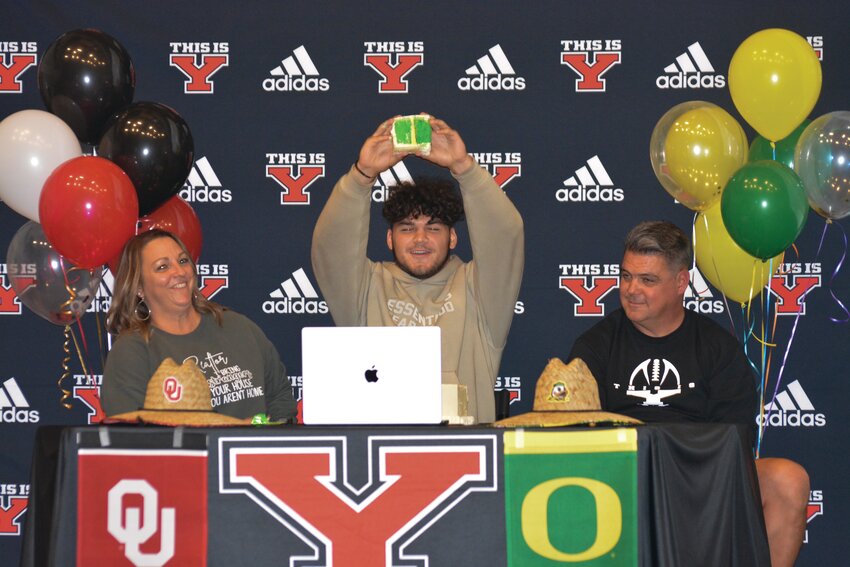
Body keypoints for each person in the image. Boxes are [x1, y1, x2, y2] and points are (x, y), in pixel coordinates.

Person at [568, 220, 809, 567]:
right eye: (626, 276)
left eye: (647, 280)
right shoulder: (595, 346)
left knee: (788, 479)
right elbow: (573, 436)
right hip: (622, 476)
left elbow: (736, 444)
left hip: (701, 475)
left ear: (681, 282)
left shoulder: (717, 348)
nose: (631, 289)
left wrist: (683, 468)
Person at [311, 115, 524, 423]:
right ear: (389, 238)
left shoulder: (478, 291)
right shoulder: (366, 287)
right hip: (379, 453)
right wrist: (362, 176)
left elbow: (505, 235)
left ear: (452, 237)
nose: (421, 239)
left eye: (433, 228)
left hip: (464, 454)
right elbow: (329, 247)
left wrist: (465, 168)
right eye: (407, 229)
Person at [102, 229, 297, 422]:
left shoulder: (239, 327)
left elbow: (282, 405)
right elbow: (130, 435)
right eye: (162, 267)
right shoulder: (132, 351)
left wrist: (254, 431)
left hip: (253, 454)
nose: (179, 272)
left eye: (183, 260)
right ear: (139, 288)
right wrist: (228, 435)